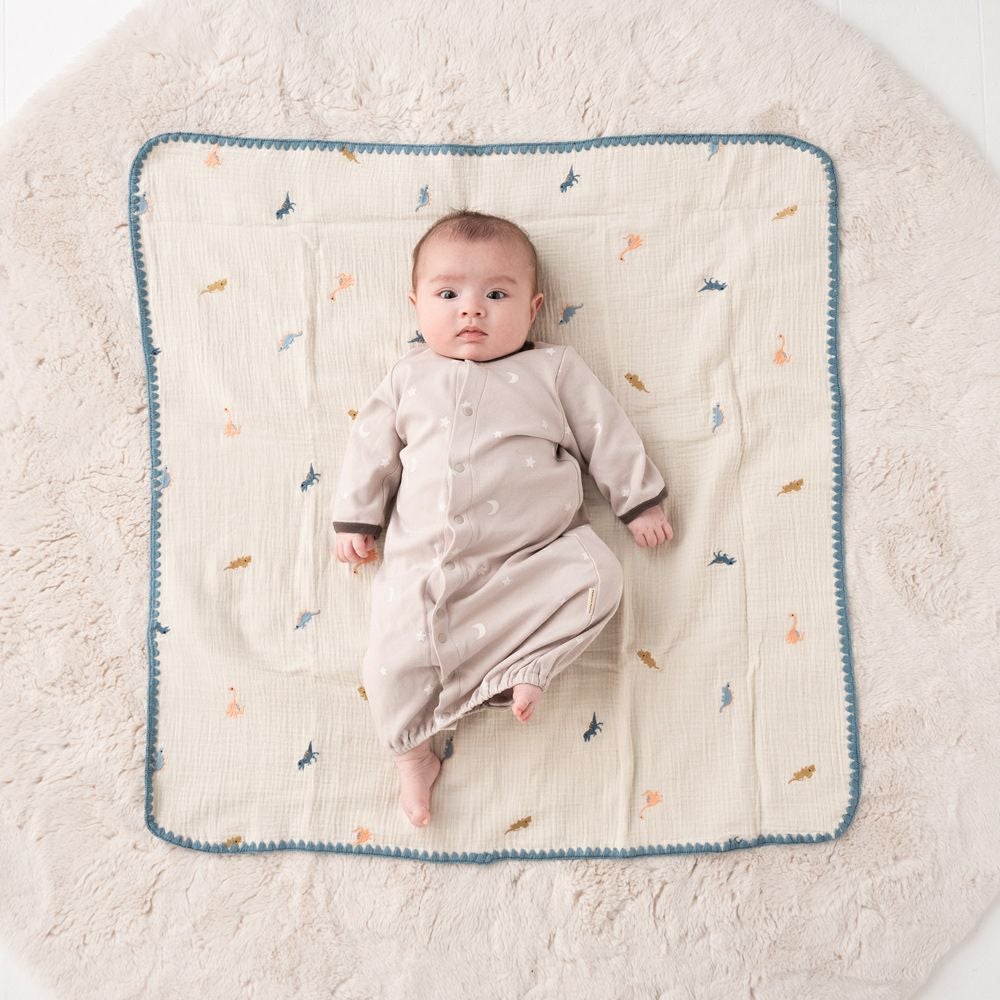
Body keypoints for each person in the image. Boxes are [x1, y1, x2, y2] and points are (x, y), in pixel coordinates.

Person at [332, 209, 673, 827]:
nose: (472, 309)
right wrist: (357, 517)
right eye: (448, 295)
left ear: (534, 308)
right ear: (415, 305)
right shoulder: (409, 377)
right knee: (391, 656)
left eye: (496, 294)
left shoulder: (554, 370)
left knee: (598, 576)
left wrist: (638, 498)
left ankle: (526, 666)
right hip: (424, 568)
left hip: (531, 558)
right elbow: (369, 447)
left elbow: (607, 434)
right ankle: (412, 755)